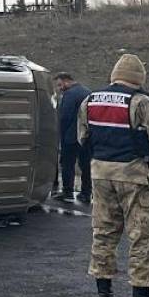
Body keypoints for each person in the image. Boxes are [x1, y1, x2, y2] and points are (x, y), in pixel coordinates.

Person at [79, 54, 149, 297]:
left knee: (104, 233)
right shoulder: (142, 102)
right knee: (143, 236)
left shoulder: (90, 100)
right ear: (138, 79)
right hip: (135, 177)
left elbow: (83, 137)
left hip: (100, 175)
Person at [54, 72, 92, 202]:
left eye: (60, 85)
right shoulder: (87, 91)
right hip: (86, 136)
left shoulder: (69, 94)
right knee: (85, 165)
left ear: (66, 81)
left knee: (67, 164)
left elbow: (65, 116)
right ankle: (86, 193)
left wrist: (60, 133)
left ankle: (67, 192)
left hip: (70, 136)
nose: (59, 88)